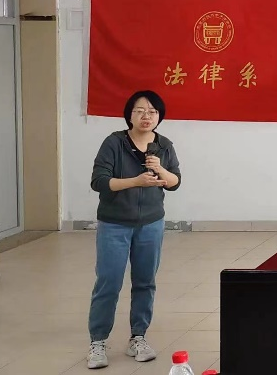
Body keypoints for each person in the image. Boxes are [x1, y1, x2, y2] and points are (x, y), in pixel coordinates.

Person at [86, 90, 182, 369]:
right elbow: (99, 181)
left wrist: (160, 169)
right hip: (114, 223)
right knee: (109, 282)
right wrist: (135, 181)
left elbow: (175, 182)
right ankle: (98, 342)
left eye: (152, 112)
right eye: (140, 111)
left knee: (145, 281)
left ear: (159, 116)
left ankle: (137, 337)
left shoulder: (164, 145)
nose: (146, 116)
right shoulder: (114, 142)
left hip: (151, 224)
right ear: (129, 115)